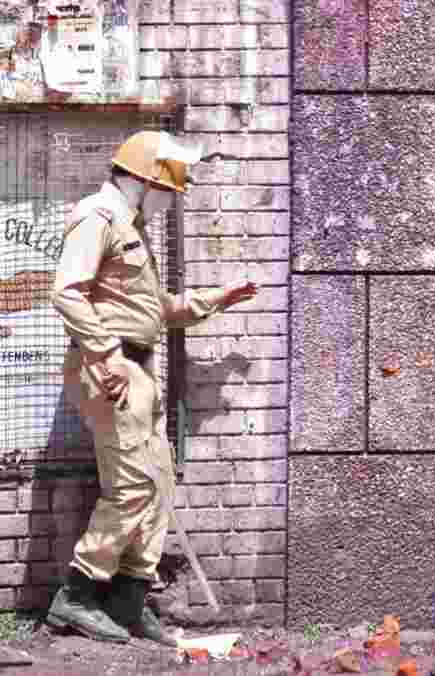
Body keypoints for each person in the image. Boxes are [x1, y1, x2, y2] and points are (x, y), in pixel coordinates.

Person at [46, 131, 260, 643]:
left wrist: (216, 299)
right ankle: (75, 596)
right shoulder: (98, 216)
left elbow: (151, 308)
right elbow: (66, 292)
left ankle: (128, 600)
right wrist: (108, 355)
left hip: (136, 369)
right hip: (111, 368)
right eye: (168, 189)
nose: (171, 199)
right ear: (143, 179)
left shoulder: (130, 226)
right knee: (132, 487)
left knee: (158, 483)